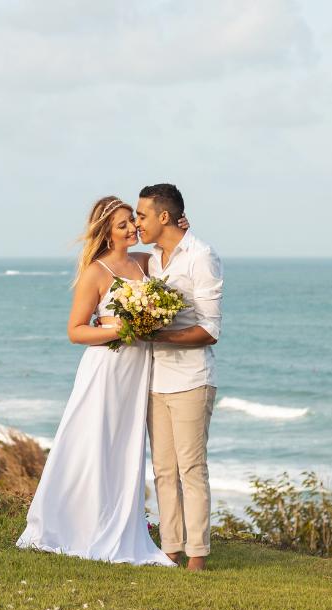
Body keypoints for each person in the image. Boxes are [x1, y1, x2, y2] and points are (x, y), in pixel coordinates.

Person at [15, 195, 175, 566]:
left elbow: (171, 253)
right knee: (93, 443)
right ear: (106, 232)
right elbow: (75, 331)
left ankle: (118, 523)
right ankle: (75, 525)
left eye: (132, 221)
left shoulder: (143, 262)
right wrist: (122, 329)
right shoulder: (96, 272)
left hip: (136, 373)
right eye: (123, 225)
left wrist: (179, 226)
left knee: (124, 447)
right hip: (106, 370)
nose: (132, 228)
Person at [135, 183, 222, 571]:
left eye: (142, 216)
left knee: (191, 470)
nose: (137, 223)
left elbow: (210, 330)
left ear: (164, 216)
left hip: (191, 380)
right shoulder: (153, 259)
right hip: (155, 381)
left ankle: (197, 556)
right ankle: (170, 549)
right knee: (164, 471)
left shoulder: (201, 256)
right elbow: (115, 255)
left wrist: (158, 336)